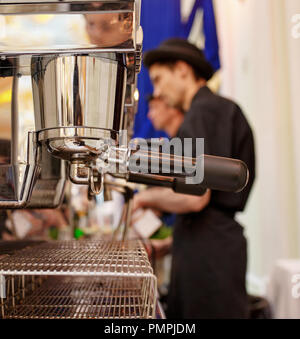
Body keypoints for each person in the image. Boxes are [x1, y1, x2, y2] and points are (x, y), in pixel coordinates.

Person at [133, 38, 255, 319]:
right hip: (213, 246)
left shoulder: (202, 111)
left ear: (182, 70)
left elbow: (196, 197)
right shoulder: (215, 110)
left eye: (159, 80)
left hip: (209, 255)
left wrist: (145, 198)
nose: (158, 92)